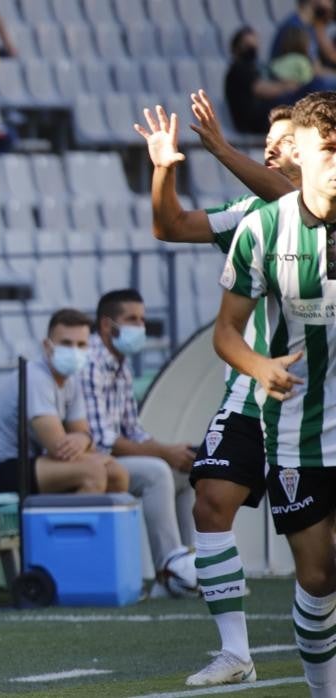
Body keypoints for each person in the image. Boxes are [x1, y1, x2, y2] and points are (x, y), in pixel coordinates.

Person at [134, 96, 299, 686]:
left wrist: (222, 150)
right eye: (267, 140)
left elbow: (294, 202)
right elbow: (169, 226)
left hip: (320, 401)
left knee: (319, 560)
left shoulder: (318, 207)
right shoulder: (251, 210)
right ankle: (236, 652)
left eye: (283, 138)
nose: (271, 147)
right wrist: (164, 168)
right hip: (253, 395)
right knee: (211, 501)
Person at [215, 90, 336, 696]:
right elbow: (226, 333)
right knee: (318, 579)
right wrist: (259, 366)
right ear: (302, 153)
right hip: (296, 433)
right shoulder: (262, 228)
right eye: (330, 149)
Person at [80, 289, 199, 596]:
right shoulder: (91, 362)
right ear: (107, 325)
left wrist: (174, 452)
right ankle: (170, 575)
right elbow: (103, 440)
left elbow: (133, 430)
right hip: (91, 462)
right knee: (157, 472)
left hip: (109, 460)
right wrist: (164, 453)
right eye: (132, 319)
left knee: (183, 472)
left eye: (143, 320)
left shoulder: (121, 366)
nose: (140, 327)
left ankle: (193, 566)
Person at [0, 308, 130, 497]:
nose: (74, 351)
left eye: (81, 345)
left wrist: (84, 439)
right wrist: (85, 440)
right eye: (66, 343)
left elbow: (84, 440)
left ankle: (98, 526)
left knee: (116, 473)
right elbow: (60, 449)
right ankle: (68, 527)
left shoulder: (72, 380)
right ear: (47, 346)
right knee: (92, 473)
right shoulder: (36, 377)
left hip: (27, 463)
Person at [271, 0, 336, 69]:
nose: (330, 5)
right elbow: (311, 71)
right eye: (328, 1)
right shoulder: (295, 28)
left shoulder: (309, 27)